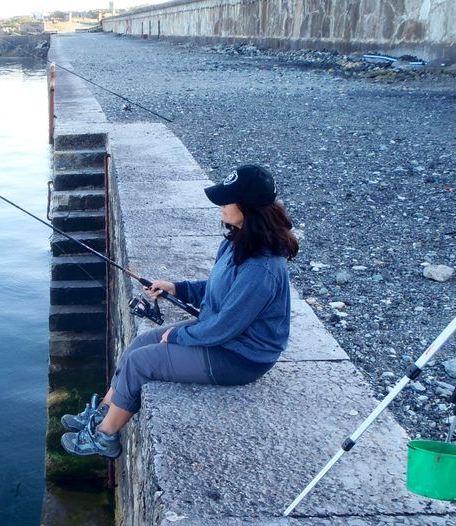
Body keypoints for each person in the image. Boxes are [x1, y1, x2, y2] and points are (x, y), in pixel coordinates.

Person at [61, 164, 299, 459]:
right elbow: (215, 289)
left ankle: (103, 437)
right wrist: (176, 288)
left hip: (241, 357)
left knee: (141, 363)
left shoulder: (262, 269)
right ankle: (100, 413)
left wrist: (177, 336)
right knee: (137, 345)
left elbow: (224, 327)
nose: (221, 206)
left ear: (247, 208)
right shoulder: (238, 241)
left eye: (227, 201)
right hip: (222, 337)